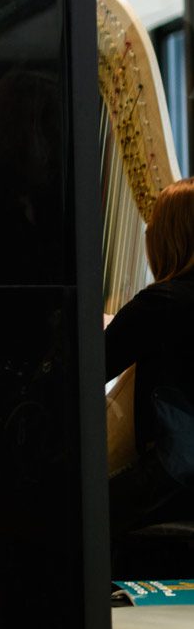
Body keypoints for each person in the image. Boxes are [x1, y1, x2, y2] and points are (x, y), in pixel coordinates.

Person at [105, 176, 194, 580]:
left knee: (66, 514)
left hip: (177, 480)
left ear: (164, 237)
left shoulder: (161, 304)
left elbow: (83, 372)